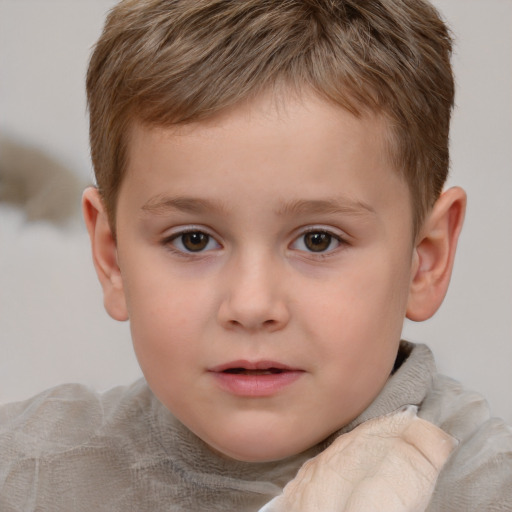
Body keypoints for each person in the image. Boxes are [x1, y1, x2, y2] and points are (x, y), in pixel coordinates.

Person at [1, 0, 511, 510]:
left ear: (426, 258)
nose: (250, 304)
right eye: (193, 239)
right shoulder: (23, 473)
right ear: (112, 259)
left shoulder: (489, 491)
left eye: (318, 240)